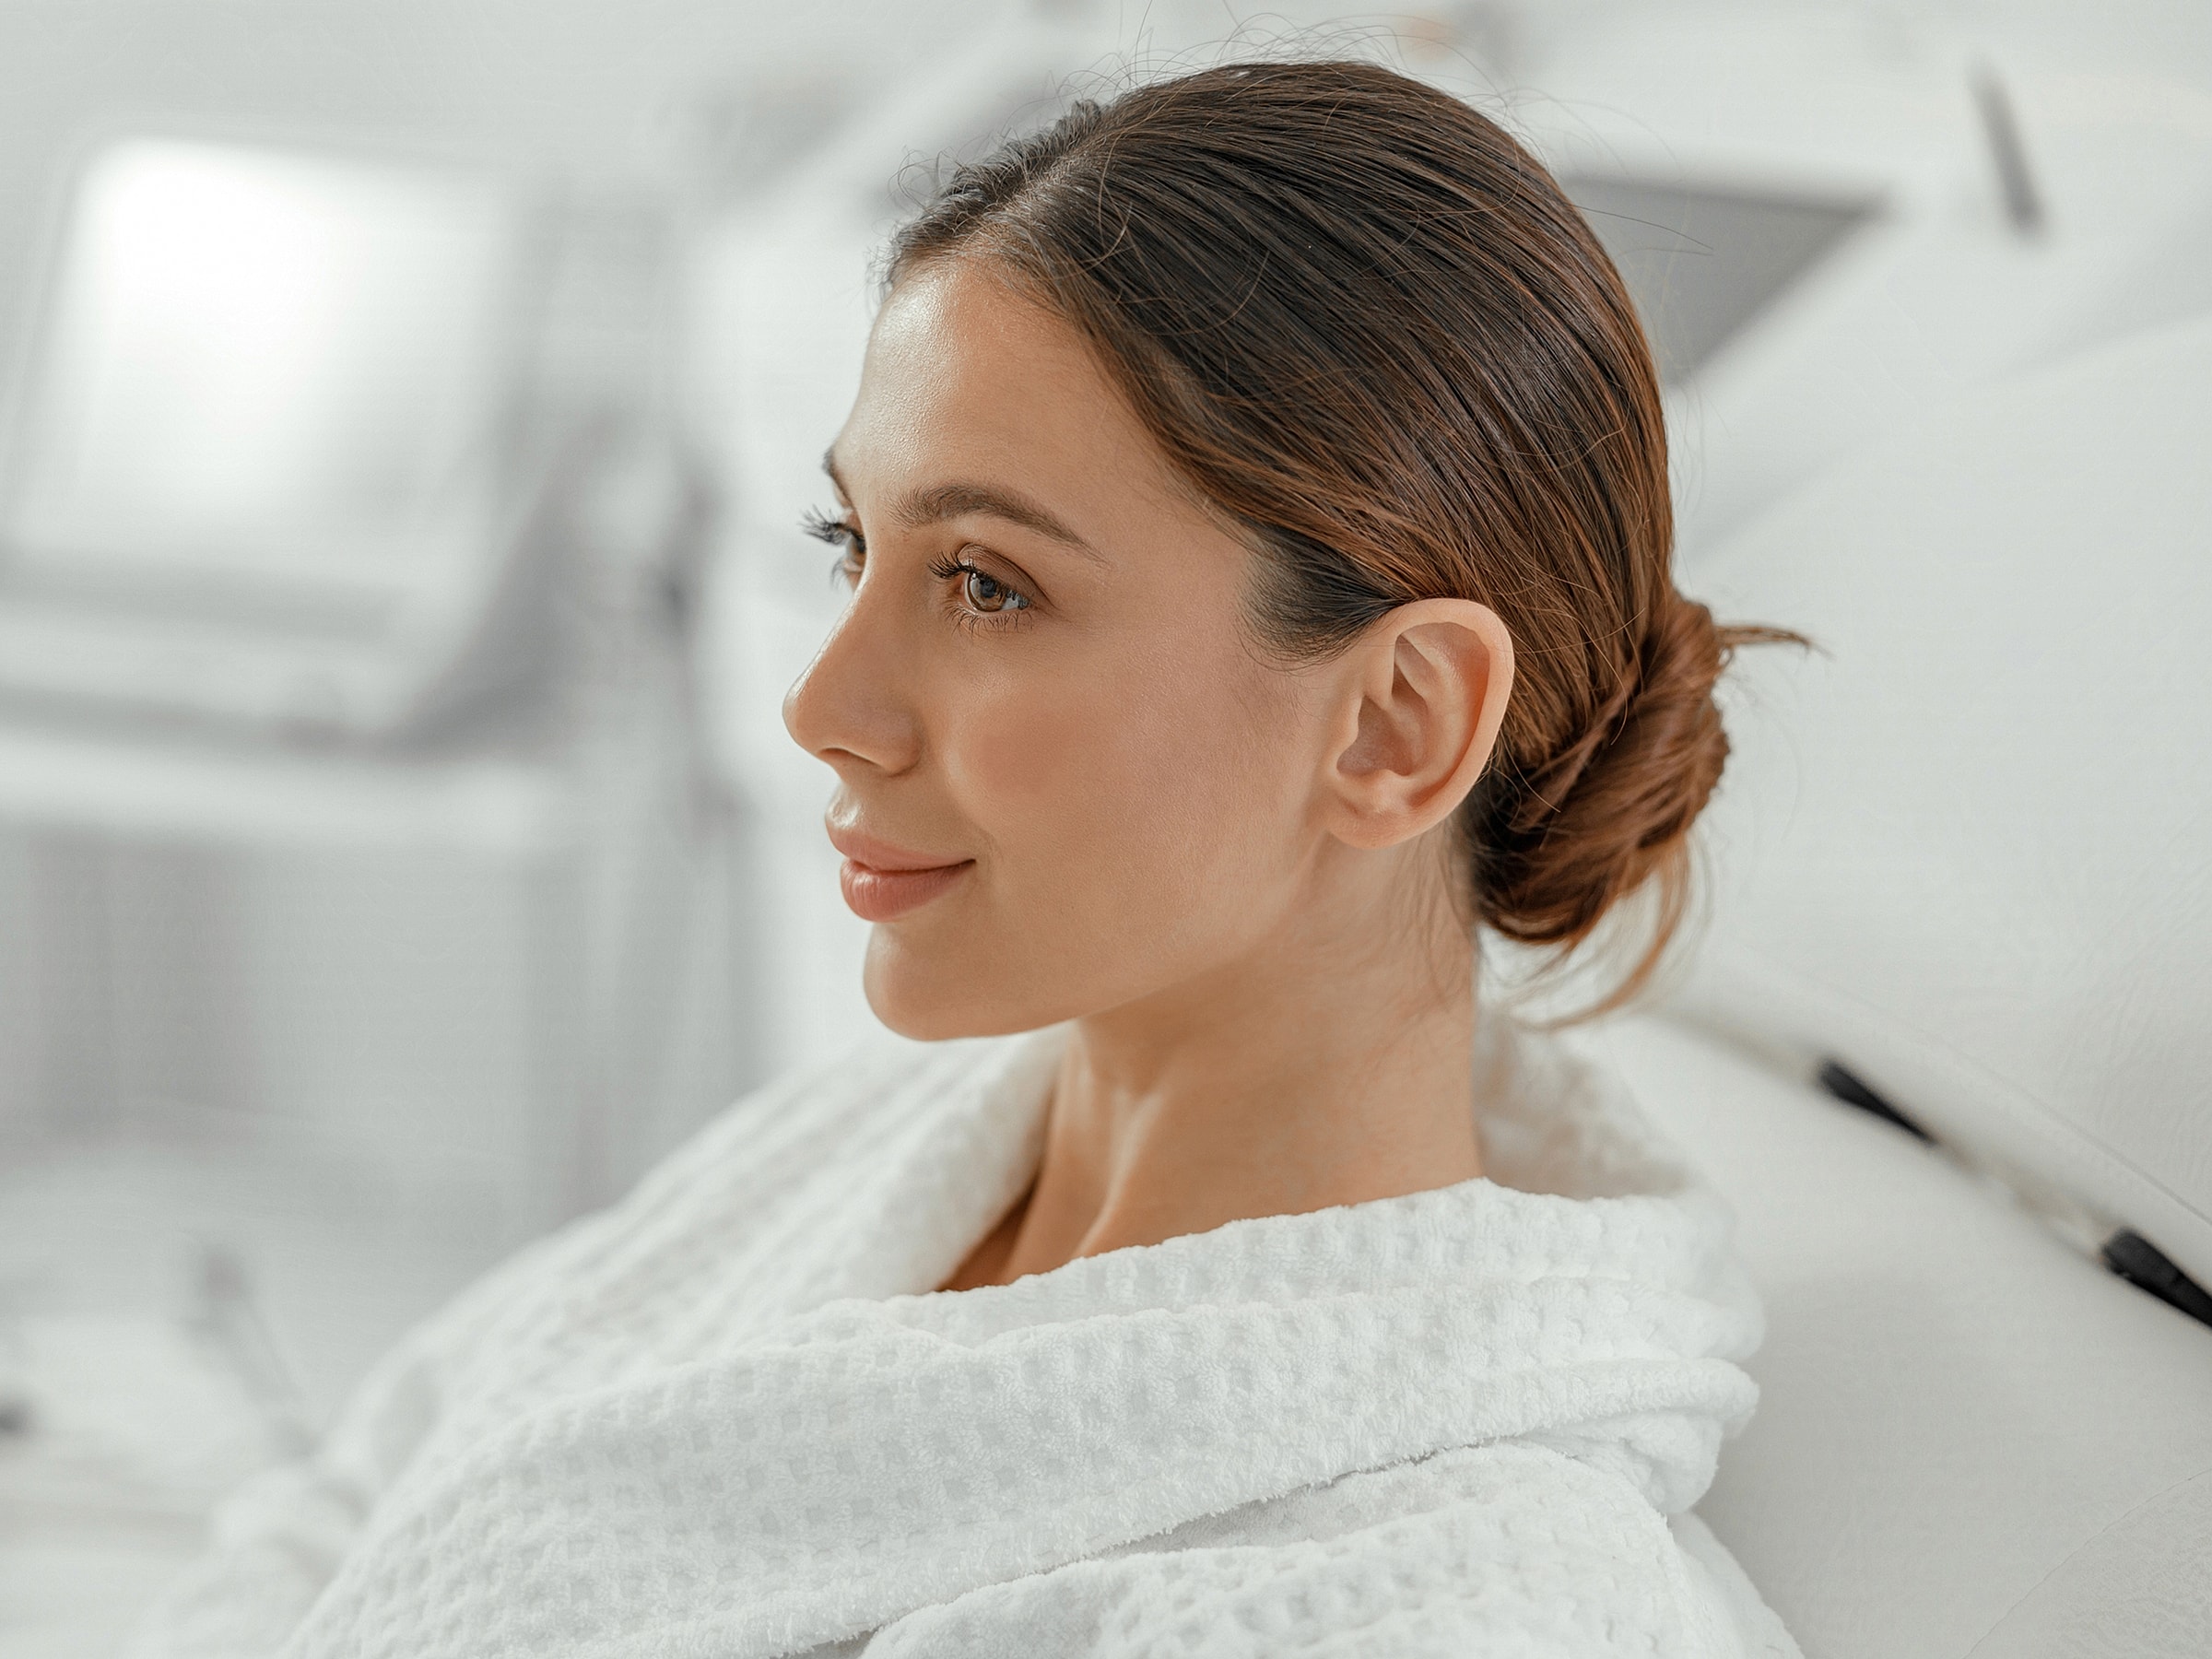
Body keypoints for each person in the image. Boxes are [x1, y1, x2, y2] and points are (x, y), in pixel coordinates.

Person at [132, 58, 1801, 1658]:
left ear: (1395, 726)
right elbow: (362, 1495)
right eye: (850, 544)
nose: (820, 708)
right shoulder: (859, 1148)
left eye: (988, 585)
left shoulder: (1437, 1600)